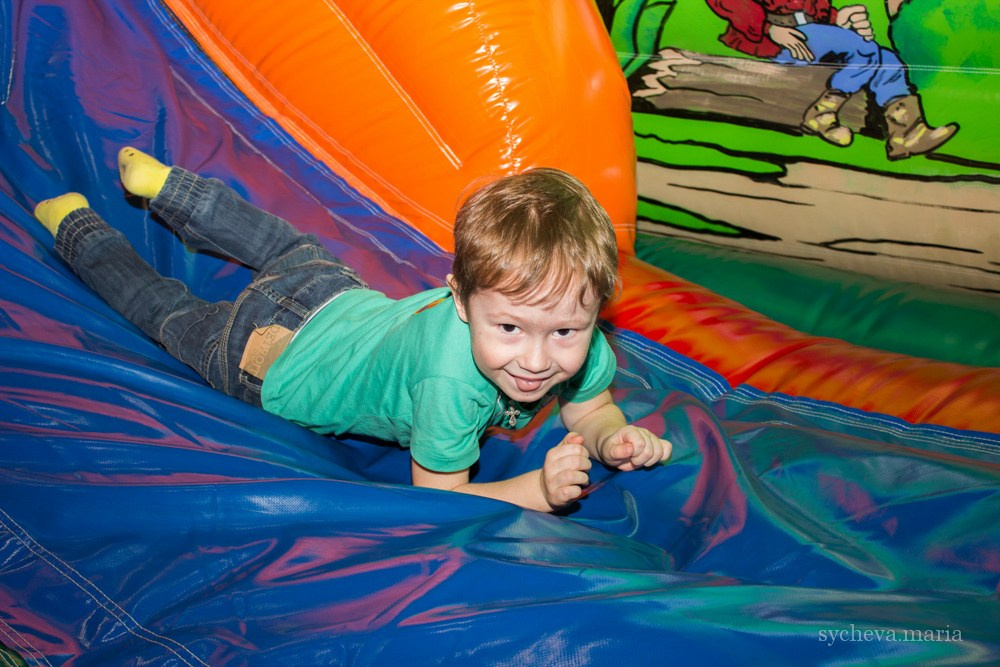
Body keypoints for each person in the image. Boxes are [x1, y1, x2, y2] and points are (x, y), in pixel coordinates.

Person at [34, 147, 672, 513]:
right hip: (273, 360)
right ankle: (74, 225)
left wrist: (612, 437)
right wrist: (536, 489)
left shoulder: (574, 346)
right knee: (163, 311)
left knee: (278, 242)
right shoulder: (452, 387)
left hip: (333, 293)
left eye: (565, 332)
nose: (536, 359)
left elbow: (589, 406)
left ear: (594, 314)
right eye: (508, 326)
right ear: (461, 300)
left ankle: (167, 185)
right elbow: (443, 497)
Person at [705, 0, 957, 159]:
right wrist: (770, 30)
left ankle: (906, 133)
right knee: (865, 51)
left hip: (813, 36)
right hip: (778, 41)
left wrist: (840, 19)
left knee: (888, 59)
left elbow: (812, 12)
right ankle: (823, 113)